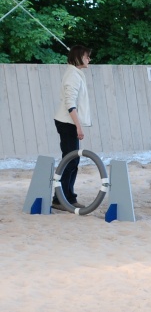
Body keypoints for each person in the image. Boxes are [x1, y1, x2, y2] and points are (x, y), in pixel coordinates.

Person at [52, 45, 92, 211]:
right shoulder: (73, 76)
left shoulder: (75, 73)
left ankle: (65, 197)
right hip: (67, 123)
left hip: (68, 122)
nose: (89, 59)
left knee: (72, 160)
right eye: (86, 56)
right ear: (78, 57)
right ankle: (61, 198)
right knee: (70, 161)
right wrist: (78, 127)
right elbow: (70, 103)